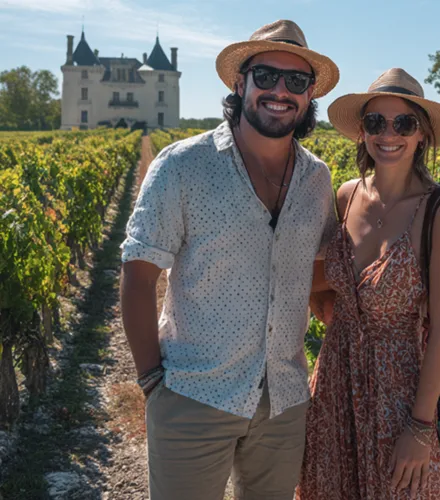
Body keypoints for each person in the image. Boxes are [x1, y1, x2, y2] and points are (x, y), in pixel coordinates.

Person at [119, 19, 339, 500]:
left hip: (283, 399)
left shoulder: (317, 180)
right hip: (193, 395)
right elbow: (137, 277)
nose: (280, 91)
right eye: (266, 76)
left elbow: (315, 272)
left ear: (307, 97)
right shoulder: (182, 166)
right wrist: (153, 382)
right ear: (240, 84)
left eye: (296, 81)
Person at [298, 68, 440, 500]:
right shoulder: (345, 195)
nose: (388, 133)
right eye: (376, 122)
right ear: (362, 132)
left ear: (422, 135)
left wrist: (419, 426)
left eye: (403, 123)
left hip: (400, 397)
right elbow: (330, 286)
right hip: (333, 386)